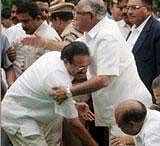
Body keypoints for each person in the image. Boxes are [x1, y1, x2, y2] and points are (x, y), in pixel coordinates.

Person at [49, 0, 152, 144]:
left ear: (91, 16)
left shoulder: (106, 36)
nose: (74, 17)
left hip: (129, 111)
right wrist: (44, 43)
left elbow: (103, 79)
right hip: (118, 109)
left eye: (78, 13)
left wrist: (68, 92)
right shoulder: (93, 33)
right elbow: (71, 47)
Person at [1, 41, 98, 146]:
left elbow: (44, 91)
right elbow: (74, 124)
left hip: (25, 111)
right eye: (80, 67)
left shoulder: (54, 56)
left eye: (86, 66)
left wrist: (73, 104)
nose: (84, 71)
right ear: (66, 61)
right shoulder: (58, 79)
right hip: (18, 117)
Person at [126, 0, 160, 101]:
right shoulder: (133, 30)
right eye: (128, 8)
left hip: (149, 96)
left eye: (134, 8)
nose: (129, 12)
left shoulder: (156, 30)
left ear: (148, 9)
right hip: (131, 94)